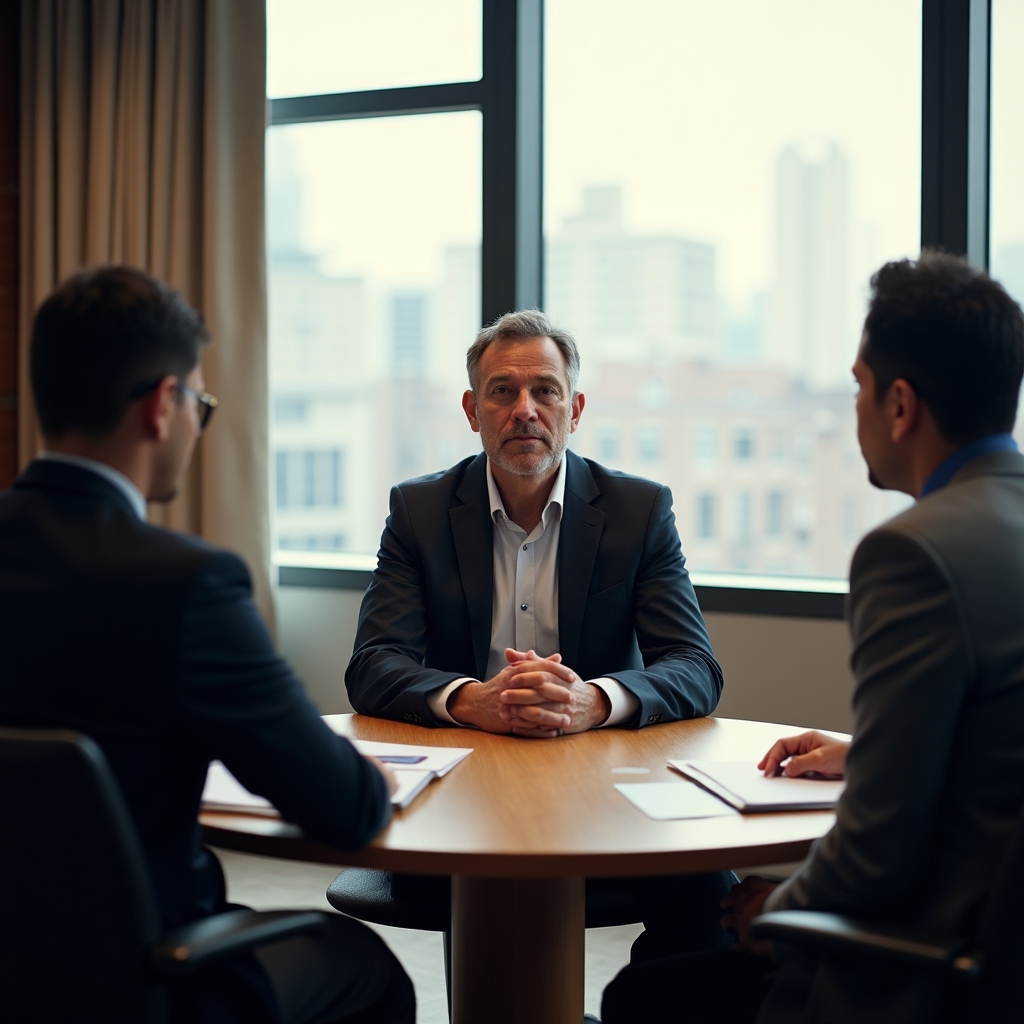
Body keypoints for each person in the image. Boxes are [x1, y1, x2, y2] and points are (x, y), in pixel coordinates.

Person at [601, 251, 1024, 1024]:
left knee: (641, 998)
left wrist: (777, 907)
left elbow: (875, 853)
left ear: (900, 405)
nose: (853, 410)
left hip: (923, 977)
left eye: (858, 389)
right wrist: (866, 750)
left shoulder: (915, 552)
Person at [0, 267, 415, 1024]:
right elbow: (345, 808)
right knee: (366, 969)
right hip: (139, 983)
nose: (198, 421)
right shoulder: (186, 585)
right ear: (164, 405)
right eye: (202, 401)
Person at [347, 309, 732, 962]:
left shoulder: (638, 511)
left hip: (604, 795)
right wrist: (470, 698)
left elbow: (696, 667)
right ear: (473, 409)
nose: (525, 409)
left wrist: (595, 699)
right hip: (459, 796)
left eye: (545, 390)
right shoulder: (420, 511)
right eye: (503, 391)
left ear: (574, 408)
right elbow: (373, 665)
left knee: (709, 901)